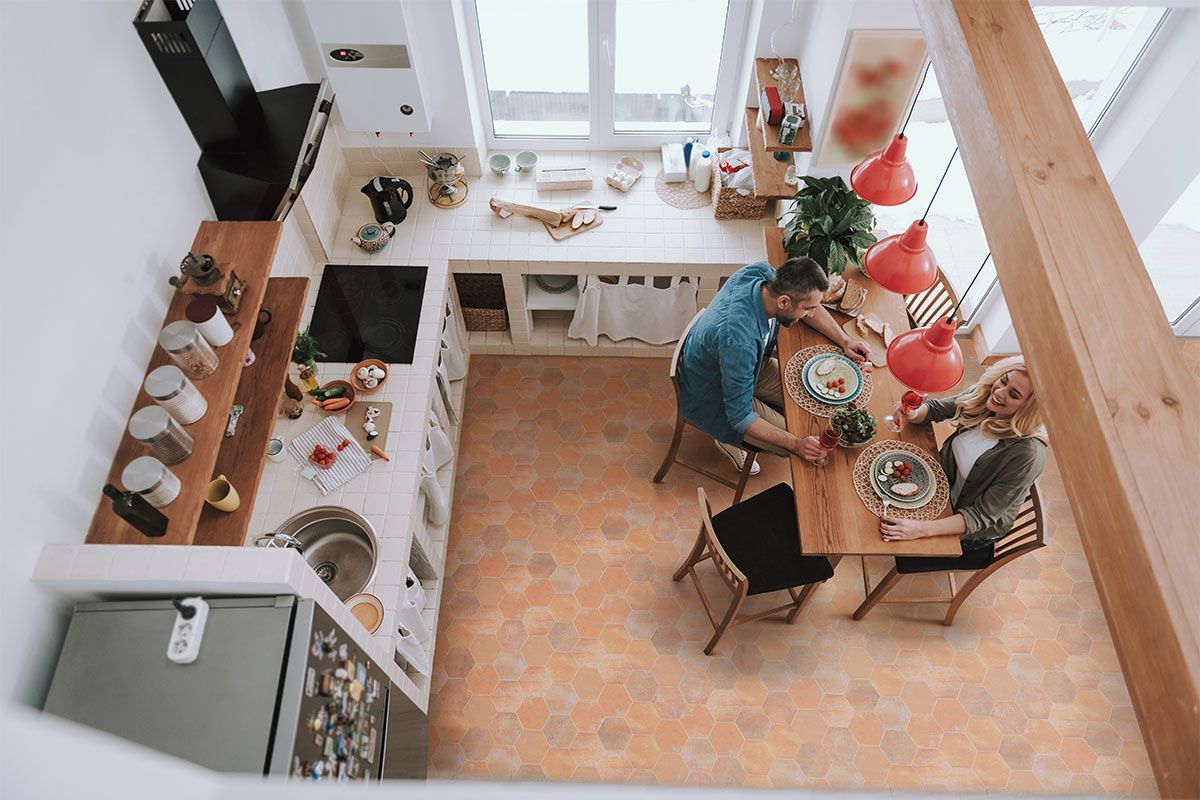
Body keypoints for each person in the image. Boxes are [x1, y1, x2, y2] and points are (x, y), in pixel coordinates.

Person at [679, 257, 873, 471]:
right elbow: (740, 416)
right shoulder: (739, 341)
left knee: (813, 400)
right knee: (797, 442)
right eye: (808, 309)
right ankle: (726, 439)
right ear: (783, 302)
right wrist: (797, 444)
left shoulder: (762, 274)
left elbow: (804, 302)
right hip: (714, 394)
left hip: (745, 366)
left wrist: (846, 340)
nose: (811, 314)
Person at [880, 355, 1047, 553]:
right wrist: (913, 413)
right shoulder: (987, 395)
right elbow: (936, 410)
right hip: (942, 486)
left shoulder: (1027, 454)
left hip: (968, 524)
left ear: (1028, 410)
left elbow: (981, 516)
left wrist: (920, 529)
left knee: (882, 533)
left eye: (1014, 394)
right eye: (1003, 380)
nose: (1000, 392)